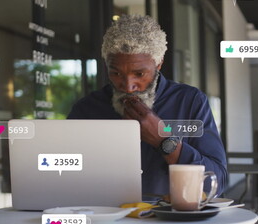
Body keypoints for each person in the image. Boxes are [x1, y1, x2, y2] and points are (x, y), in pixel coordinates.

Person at [67, 15, 227, 198]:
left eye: (139, 73)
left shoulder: (189, 101)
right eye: (116, 73)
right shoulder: (87, 110)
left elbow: (216, 183)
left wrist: (163, 139)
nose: (128, 86)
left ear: (158, 64)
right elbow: (62, 177)